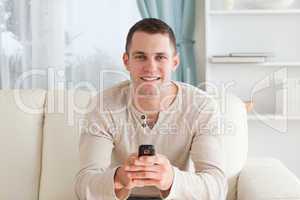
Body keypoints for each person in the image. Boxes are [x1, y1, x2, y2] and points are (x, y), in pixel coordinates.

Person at [75, 18, 227, 200]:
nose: (150, 67)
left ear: (175, 62)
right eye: (140, 56)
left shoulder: (202, 107)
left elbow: (217, 188)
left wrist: (170, 179)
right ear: (126, 61)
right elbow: (84, 185)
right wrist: (119, 178)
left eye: (160, 57)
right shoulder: (103, 106)